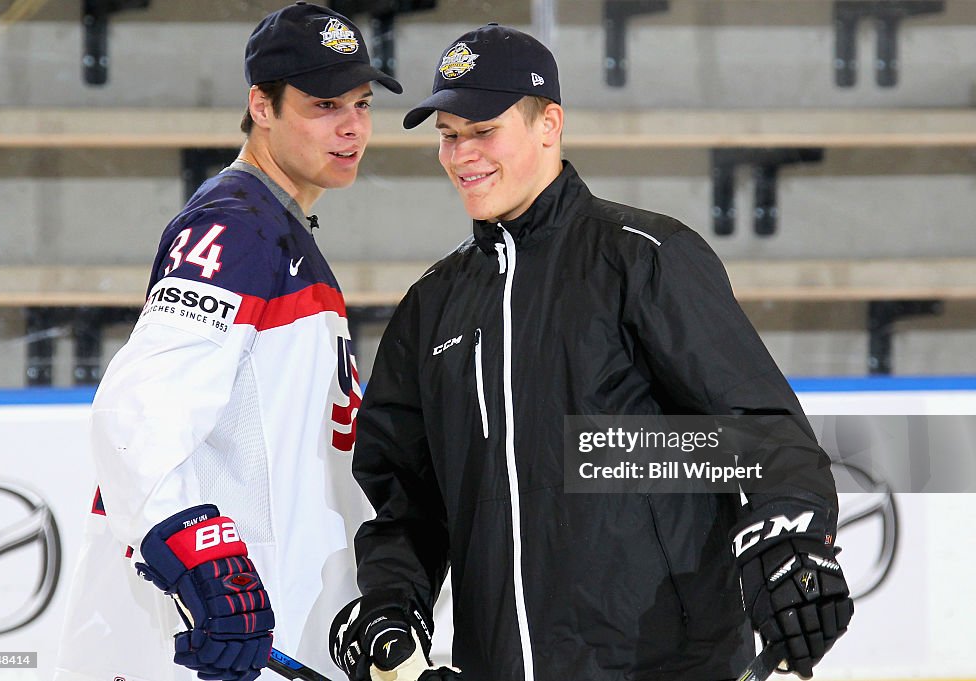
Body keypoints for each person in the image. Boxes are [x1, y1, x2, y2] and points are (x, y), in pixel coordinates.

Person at [329, 24, 853, 681]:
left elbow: (757, 431)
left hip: (662, 665)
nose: (462, 155)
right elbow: (406, 503)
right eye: (448, 135)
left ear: (548, 123)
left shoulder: (643, 256)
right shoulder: (431, 306)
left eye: (482, 130)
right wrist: (390, 609)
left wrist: (791, 537)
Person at [54, 4, 401, 680]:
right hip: (211, 649)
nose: (352, 125)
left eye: (361, 103)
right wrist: (201, 556)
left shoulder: (276, 228)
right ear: (261, 106)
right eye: (324, 103)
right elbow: (138, 410)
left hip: (266, 636)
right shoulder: (236, 225)